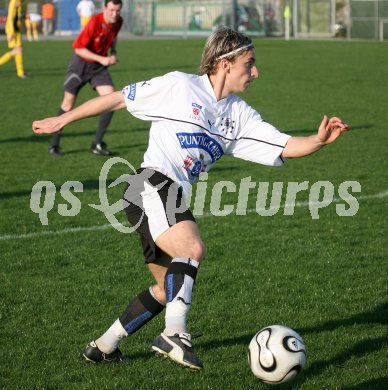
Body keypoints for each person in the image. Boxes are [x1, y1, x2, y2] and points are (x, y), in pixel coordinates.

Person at [32, 27, 348, 370]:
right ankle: (174, 333)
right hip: (148, 184)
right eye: (249, 63)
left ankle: (104, 345)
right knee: (192, 249)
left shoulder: (239, 115)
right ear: (225, 63)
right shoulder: (180, 86)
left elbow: (284, 145)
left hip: (162, 197)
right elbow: (118, 98)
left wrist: (318, 141)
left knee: (168, 289)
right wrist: (64, 118)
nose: (255, 72)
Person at [48, 0, 123, 156]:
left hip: (98, 68)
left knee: (111, 100)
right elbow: (79, 49)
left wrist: (113, 52)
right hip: (80, 65)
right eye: (111, 10)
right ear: (104, 8)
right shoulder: (95, 22)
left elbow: (113, 37)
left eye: (117, 10)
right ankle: (54, 145)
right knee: (68, 104)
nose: (114, 14)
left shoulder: (118, 21)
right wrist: (102, 59)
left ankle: (97, 144)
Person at [0, 0, 27, 79]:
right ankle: (20, 73)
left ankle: (21, 73)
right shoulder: (13, 2)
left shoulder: (22, 3)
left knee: (19, 50)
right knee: (17, 50)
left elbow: (19, 17)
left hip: (17, 30)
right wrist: (11, 32)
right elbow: (10, 19)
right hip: (12, 31)